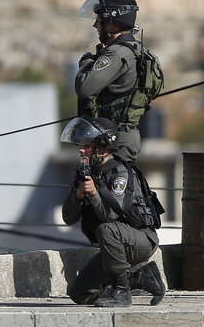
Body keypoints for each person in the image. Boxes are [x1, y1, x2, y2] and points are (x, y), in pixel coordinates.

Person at [60, 116, 165, 307]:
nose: (81, 150)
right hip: (114, 245)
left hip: (141, 239)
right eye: (80, 145)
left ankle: (122, 292)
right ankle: (140, 278)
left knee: (106, 230)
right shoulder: (85, 173)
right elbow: (68, 218)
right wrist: (78, 195)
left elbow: (110, 216)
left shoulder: (120, 173)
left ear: (103, 147)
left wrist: (93, 194)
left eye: (87, 145)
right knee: (80, 293)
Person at [74, 0, 144, 162]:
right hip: (115, 136)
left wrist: (87, 62)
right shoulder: (133, 49)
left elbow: (84, 87)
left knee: (109, 187)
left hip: (114, 139)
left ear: (112, 26)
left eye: (99, 22)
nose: (96, 27)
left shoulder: (117, 54)